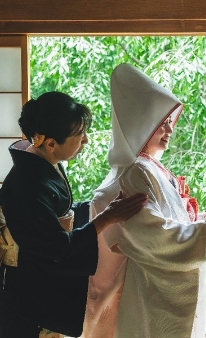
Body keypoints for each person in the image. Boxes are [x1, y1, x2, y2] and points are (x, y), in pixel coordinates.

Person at [82, 63, 206, 338]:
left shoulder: (150, 168)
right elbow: (148, 233)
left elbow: (166, 222)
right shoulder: (136, 170)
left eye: (169, 124)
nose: (169, 130)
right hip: (146, 283)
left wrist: (200, 221)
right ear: (140, 126)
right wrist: (202, 228)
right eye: (160, 125)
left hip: (155, 281)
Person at [0, 91, 148, 338]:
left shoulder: (42, 163)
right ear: (50, 143)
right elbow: (57, 248)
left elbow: (59, 213)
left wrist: (100, 207)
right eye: (79, 135)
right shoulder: (26, 184)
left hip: (39, 281)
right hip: (25, 291)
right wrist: (105, 219)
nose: (86, 140)